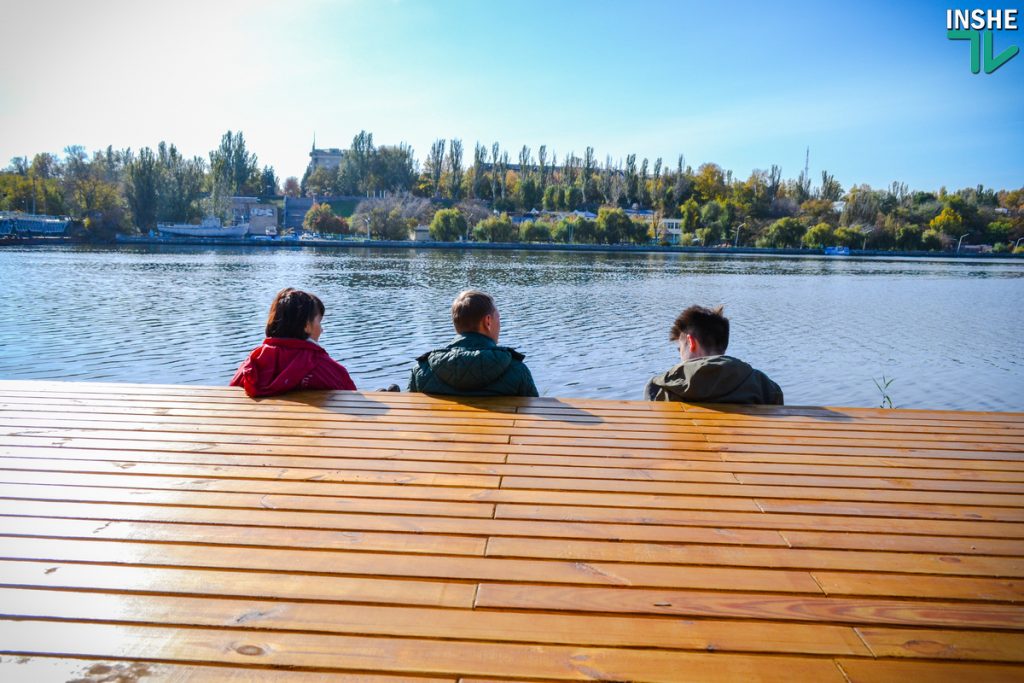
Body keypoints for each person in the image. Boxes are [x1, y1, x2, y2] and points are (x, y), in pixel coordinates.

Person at [408, 289, 539, 397]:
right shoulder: (517, 370)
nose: (500, 324)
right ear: (488, 321)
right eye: (498, 318)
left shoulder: (421, 370)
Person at [231, 287, 356, 398]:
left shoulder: (253, 364)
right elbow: (354, 402)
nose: (322, 329)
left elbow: (231, 395)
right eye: (319, 321)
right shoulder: (327, 368)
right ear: (306, 326)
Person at [645, 305, 783, 405]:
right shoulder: (766, 388)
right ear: (723, 344)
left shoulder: (659, 389)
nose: (680, 355)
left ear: (691, 342)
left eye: (679, 349)